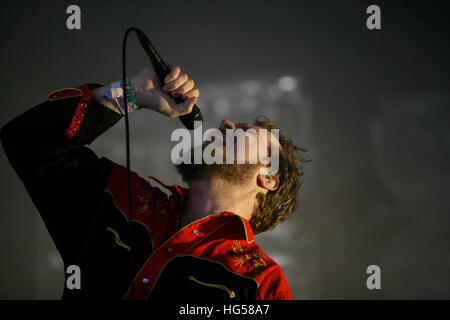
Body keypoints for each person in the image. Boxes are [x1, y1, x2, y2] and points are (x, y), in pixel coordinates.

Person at [1, 62, 304, 300]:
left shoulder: (262, 284)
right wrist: (131, 94)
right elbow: (28, 141)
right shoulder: (123, 200)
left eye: (245, 131)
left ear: (269, 178)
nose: (225, 124)